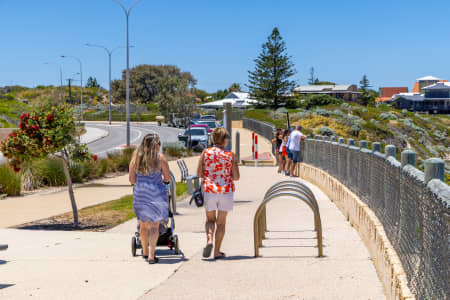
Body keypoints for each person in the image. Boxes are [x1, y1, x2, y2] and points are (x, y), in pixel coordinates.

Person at [197, 127, 240, 259]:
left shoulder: (206, 152)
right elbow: (236, 176)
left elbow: (199, 173)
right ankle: (217, 251)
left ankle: (209, 239)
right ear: (225, 139)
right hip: (226, 191)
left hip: (210, 190)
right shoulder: (230, 155)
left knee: (210, 220)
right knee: (221, 223)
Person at [129, 133, 171, 264]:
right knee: (154, 226)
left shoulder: (136, 158)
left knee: (143, 226)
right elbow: (167, 177)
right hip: (156, 193)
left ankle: (145, 252)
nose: (160, 146)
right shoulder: (160, 158)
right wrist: (160, 180)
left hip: (141, 193)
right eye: (159, 144)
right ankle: (152, 255)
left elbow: (131, 179)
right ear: (155, 145)